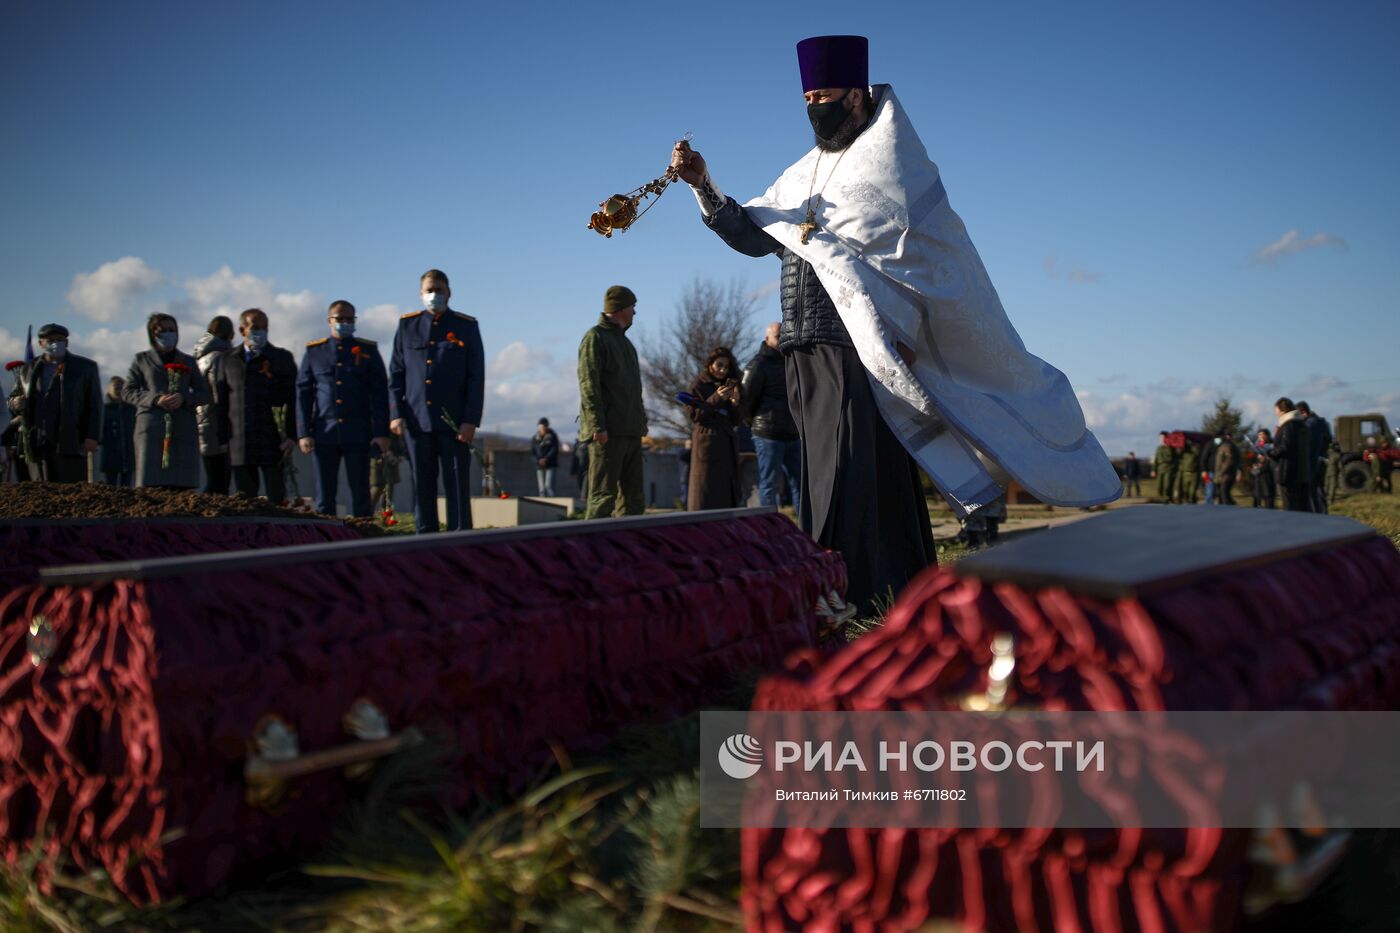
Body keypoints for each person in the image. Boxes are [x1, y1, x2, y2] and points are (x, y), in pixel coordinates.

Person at [390, 269, 485, 533]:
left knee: (456, 485)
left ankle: (459, 540)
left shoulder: (466, 326)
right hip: (417, 421)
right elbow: (396, 373)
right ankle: (425, 542)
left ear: (449, 293)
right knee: (422, 486)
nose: (434, 295)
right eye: (429, 290)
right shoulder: (407, 326)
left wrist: (470, 420)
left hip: (455, 423)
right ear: (421, 294)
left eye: (439, 290)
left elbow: (476, 377)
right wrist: (396, 413)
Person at [296, 300, 390, 517]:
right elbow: (303, 394)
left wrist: (380, 433)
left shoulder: (367, 350)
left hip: (358, 433)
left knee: (360, 493)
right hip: (324, 433)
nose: (345, 323)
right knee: (324, 495)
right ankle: (326, 542)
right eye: (340, 319)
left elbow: (379, 394)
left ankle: (363, 539)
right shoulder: (314, 352)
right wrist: (303, 432)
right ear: (330, 321)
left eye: (350, 319)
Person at [577, 285, 647, 519]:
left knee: (634, 500)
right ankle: (589, 549)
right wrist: (597, 425)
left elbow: (634, 391)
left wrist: (641, 425)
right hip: (607, 433)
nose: (634, 313)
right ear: (620, 308)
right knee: (602, 498)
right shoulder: (595, 338)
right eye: (632, 307)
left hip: (630, 430)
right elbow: (589, 385)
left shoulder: (626, 345)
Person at [216, 308, 298, 502]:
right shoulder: (228, 359)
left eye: (264, 328)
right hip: (239, 440)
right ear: (243, 330)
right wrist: (222, 437)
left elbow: (292, 399)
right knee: (245, 498)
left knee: (277, 496)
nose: (260, 332)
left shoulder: (281, 358)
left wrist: (291, 435)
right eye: (255, 327)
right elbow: (221, 401)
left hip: (272, 439)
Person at [125, 313, 213, 489]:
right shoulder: (142, 360)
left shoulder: (188, 361)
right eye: (162, 331)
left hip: (183, 427)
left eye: (171, 330)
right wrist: (155, 399)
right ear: (153, 334)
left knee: (181, 485)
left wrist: (184, 398)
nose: (168, 334)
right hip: (151, 428)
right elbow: (128, 391)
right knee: (151, 484)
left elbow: (205, 393)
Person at [6, 323, 102, 483]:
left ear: (67, 342)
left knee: (69, 490)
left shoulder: (85, 367)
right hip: (37, 441)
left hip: (70, 440)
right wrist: (15, 403)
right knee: (40, 490)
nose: (55, 343)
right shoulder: (28, 368)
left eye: (60, 339)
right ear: (41, 344)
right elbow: (12, 398)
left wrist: (92, 436)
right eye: (50, 340)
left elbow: (95, 405)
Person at [739, 322, 802, 515]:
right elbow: (745, 400)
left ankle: (804, 528)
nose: (782, 339)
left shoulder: (793, 361)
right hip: (768, 434)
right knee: (769, 484)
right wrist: (757, 425)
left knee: (800, 482)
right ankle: (770, 526)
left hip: (792, 433)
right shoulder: (758, 365)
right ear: (767, 339)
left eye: (784, 335)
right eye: (777, 336)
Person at [685, 346, 744, 510]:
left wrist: (735, 403)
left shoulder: (729, 385)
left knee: (725, 495)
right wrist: (716, 397)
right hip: (707, 445)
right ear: (710, 364)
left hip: (726, 444)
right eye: (719, 365)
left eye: (726, 367)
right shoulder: (698, 385)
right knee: (705, 493)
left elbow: (736, 420)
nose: (722, 370)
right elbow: (694, 414)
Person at [193, 315, 234, 494]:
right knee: (220, 480)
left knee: (213, 475)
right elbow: (219, 393)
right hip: (218, 421)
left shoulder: (201, 357)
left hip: (203, 420)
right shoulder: (220, 357)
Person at [1268, 397, 1312, 511]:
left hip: (1288, 471)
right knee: (1303, 505)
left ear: (1282, 410)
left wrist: (1271, 453)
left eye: (1276, 409)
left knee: (1289, 505)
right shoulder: (1302, 425)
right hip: (1303, 471)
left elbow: (1286, 446)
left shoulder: (1288, 425)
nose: (1275, 412)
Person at [99, 376, 136, 486]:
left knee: (127, 485)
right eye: (116, 386)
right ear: (109, 388)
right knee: (110, 485)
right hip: (110, 454)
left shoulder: (132, 409)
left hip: (128, 454)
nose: (119, 389)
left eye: (122, 387)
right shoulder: (103, 409)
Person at [1295, 401, 1332, 514]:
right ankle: (1322, 512)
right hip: (1321, 458)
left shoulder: (1309, 425)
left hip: (1312, 460)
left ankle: (1317, 514)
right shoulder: (1322, 422)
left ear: (1303, 413)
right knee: (1319, 489)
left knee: (1312, 490)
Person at [531, 417, 560, 497]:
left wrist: (546, 459)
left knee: (549, 486)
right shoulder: (535, 438)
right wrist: (538, 461)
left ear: (547, 426)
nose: (541, 428)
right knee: (541, 489)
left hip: (550, 464)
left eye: (543, 427)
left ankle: (553, 504)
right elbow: (533, 452)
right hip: (539, 465)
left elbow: (554, 449)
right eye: (540, 427)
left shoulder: (552, 436)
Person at [1250, 428, 1276, 508]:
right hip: (1257, 474)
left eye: (1262, 434)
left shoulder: (1272, 445)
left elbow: (1274, 459)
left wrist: (1266, 458)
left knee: (1268, 496)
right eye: (1259, 434)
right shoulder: (1256, 446)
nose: (1260, 436)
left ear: (1267, 435)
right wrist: (1255, 465)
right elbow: (1252, 460)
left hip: (1268, 475)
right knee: (1257, 496)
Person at [1213, 432, 1238, 505]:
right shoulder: (1221, 447)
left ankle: (1228, 508)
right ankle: (1230, 505)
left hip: (1226, 475)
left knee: (1224, 493)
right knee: (1222, 493)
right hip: (1221, 475)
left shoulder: (1227, 446)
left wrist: (1221, 471)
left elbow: (1229, 461)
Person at [1153, 432, 1178, 503]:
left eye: (1163, 437)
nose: (1162, 439)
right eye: (1160, 438)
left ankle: (1167, 499)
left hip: (1168, 468)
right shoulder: (1158, 448)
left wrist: (1174, 468)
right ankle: (1165, 498)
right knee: (1159, 487)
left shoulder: (1171, 448)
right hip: (1160, 469)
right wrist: (1153, 470)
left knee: (1167, 485)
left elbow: (1174, 459)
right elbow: (1156, 460)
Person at [570, 436, 590, 504]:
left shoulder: (589, 443)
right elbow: (574, 458)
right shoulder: (576, 445)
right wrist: (572, 471)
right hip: (579, 469)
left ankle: (584, 499)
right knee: (580, 485)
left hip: (587, 469)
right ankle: (583, 500)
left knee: (585, 485)